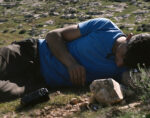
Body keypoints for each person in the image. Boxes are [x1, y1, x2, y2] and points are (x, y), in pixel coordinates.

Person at [0, 18, 150, 102]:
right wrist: (71, 64)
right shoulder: (104, 27)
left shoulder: (125, 70)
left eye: (126, 63)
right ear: (129, 37)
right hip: (29, 52)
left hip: (37, 82)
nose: (119, 64)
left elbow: (140, 82)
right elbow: (53, 35)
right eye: (123, 56)